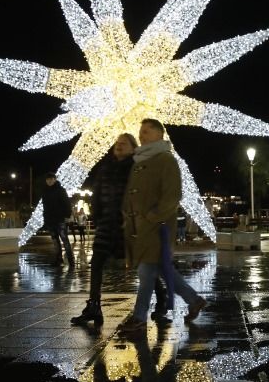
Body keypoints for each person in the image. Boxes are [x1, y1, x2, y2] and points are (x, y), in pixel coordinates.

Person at [117, 119, 209, 333]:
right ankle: (194, 300)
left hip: (156, 227)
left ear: (160, 134)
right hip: (140, 228)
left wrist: (152, 215)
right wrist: (126, 213)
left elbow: (172, 195)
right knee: (156, 269)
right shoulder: (139, 161)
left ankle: (139, 318)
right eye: (140, 131)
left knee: (146, 271)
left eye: (147, 131)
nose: (142, 135)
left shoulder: (166, 160)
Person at [71, 133, 136, 326]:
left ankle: (162, 297)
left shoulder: (136, 168)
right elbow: (97, 194)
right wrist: (97, 218)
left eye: (124, 143)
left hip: (127, 225)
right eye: (117, 143)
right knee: (97, 263)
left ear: (133, 147)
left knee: (140, 264)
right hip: (107, 224)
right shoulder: (106, 168)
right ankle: (94, 307)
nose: (119, 145)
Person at [42, 173, 75, 267]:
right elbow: (45, 207)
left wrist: (66, 215)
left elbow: (67, 203)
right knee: (55, 241)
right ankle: (58, 259)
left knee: (65, 240)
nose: (49, 181)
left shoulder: (60, 190)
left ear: (55, 179)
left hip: (60, 219)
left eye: (51, 179)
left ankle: (71, 260)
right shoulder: (45, 192)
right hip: (50, 220)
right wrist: (45, 218)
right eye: (48, 179)